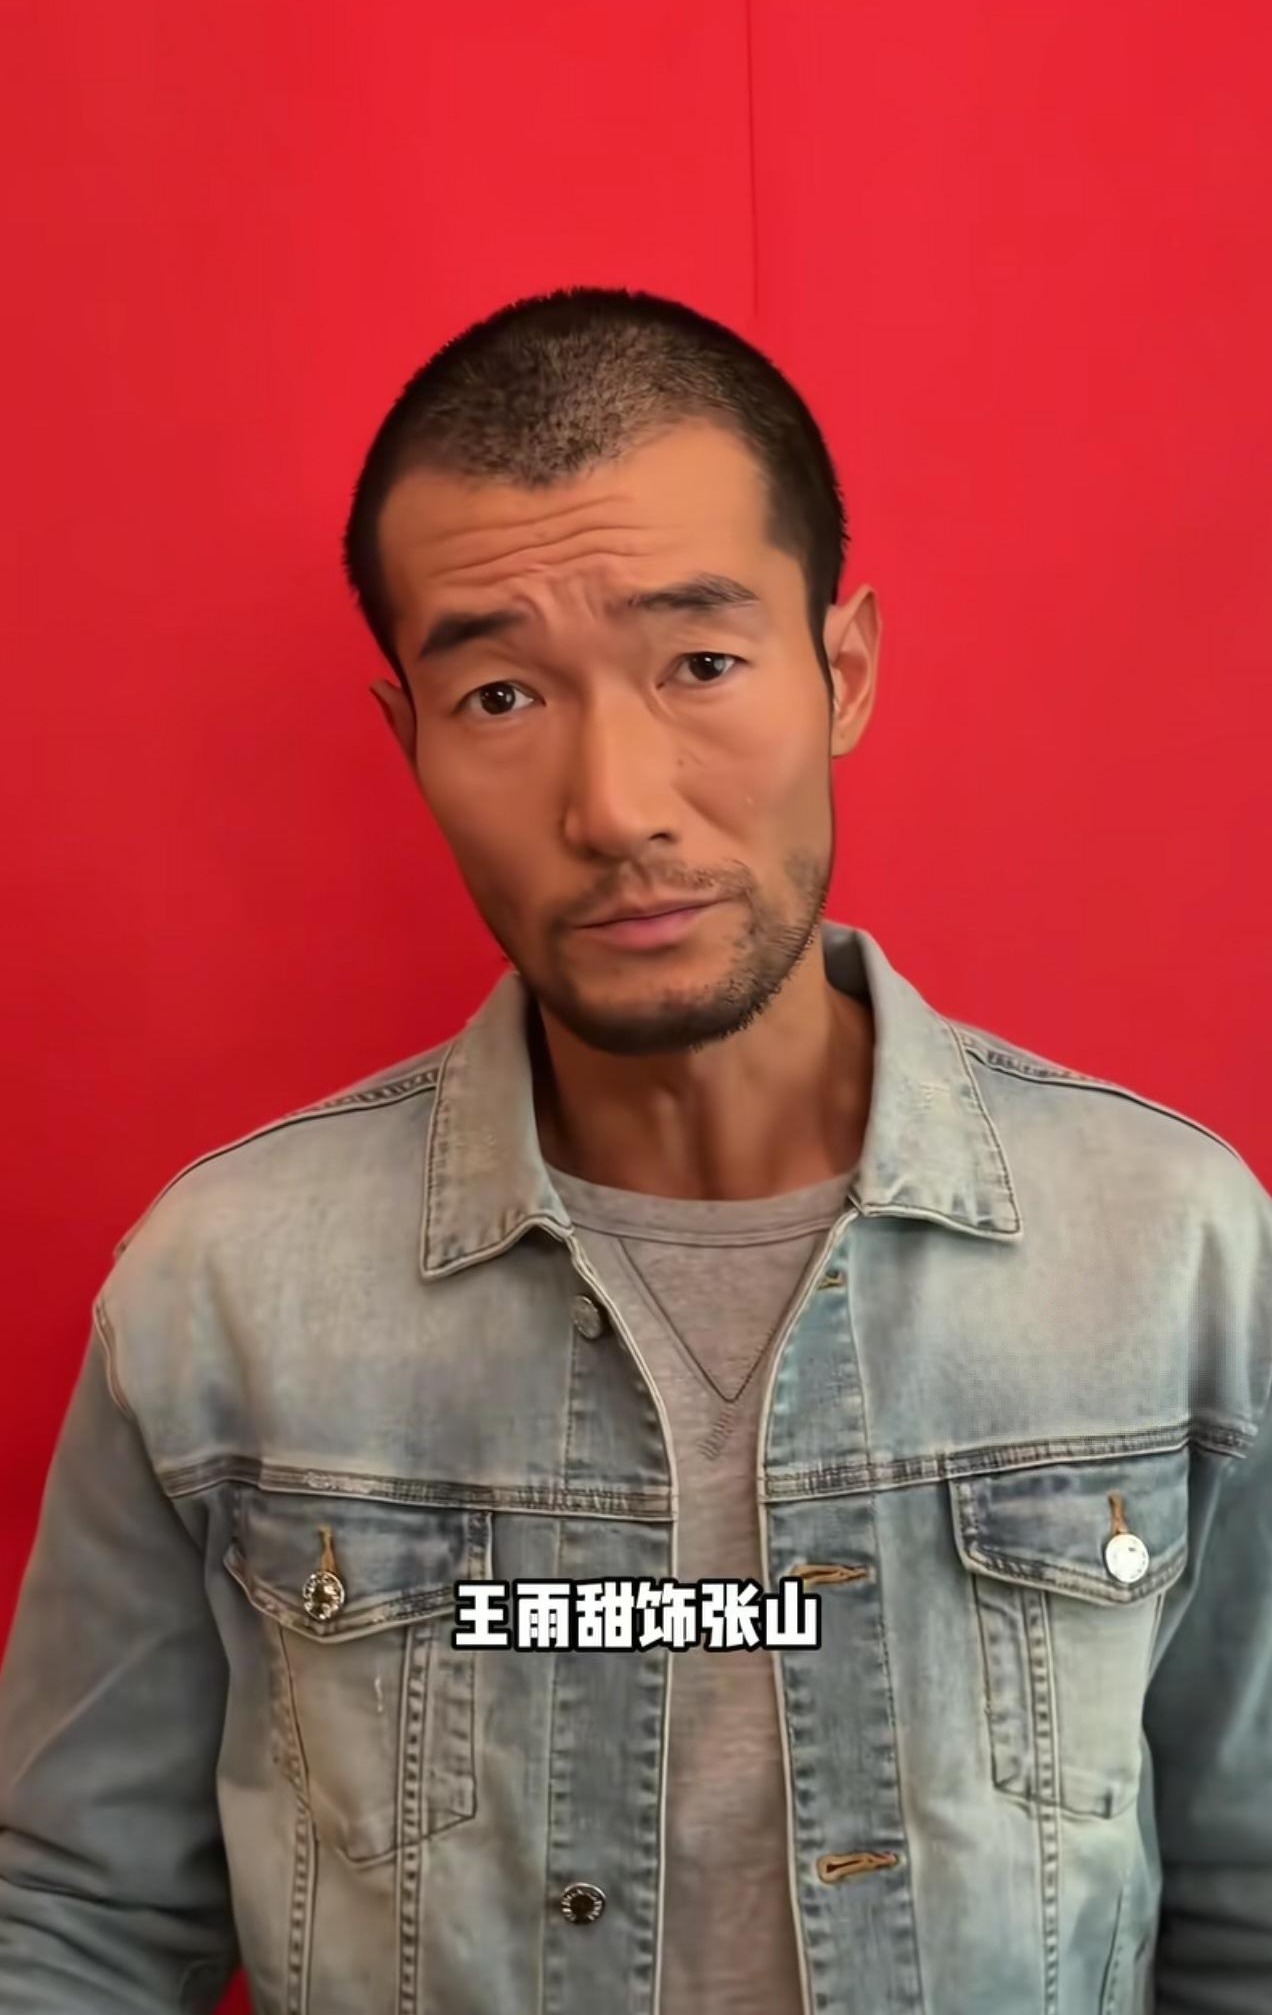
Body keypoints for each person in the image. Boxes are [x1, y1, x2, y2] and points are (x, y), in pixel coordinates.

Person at [1, 285, 1269, 2015]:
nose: (615, 804)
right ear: (410, 741)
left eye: (703, 663)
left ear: (843, 671)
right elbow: (69, 1925)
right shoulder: (225, 1290)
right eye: (501, 693)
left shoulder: (1173, 1249)